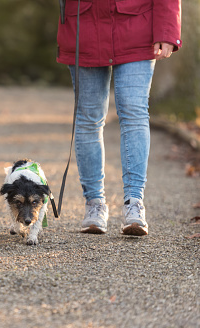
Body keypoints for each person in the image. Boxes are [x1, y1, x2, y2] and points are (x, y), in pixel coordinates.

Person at [56, 0, 182, 236]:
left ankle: (134, 203)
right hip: (84, 25)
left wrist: (167, 29)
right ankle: (94, 204)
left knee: (134, 112)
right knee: (88, 118)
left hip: (136, 26)